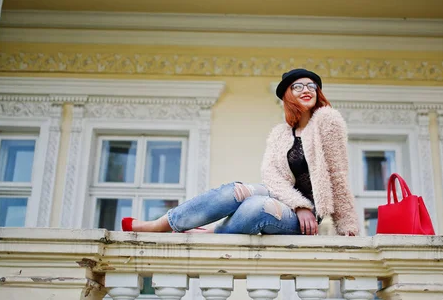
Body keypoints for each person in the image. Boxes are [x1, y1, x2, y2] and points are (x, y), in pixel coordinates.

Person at [122, 68, 359, 236]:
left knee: (256, 206)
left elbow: (338, 175)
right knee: (236, 191)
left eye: (311, 86)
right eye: (298, 86)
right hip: (291, 204)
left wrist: (347, 227)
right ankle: (162, 224)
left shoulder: (327, 121)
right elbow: (272, 178)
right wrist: (298, 204)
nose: (306, 90)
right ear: (287, 95)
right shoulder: (280, 134)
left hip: (307, 218)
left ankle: (214, 232)